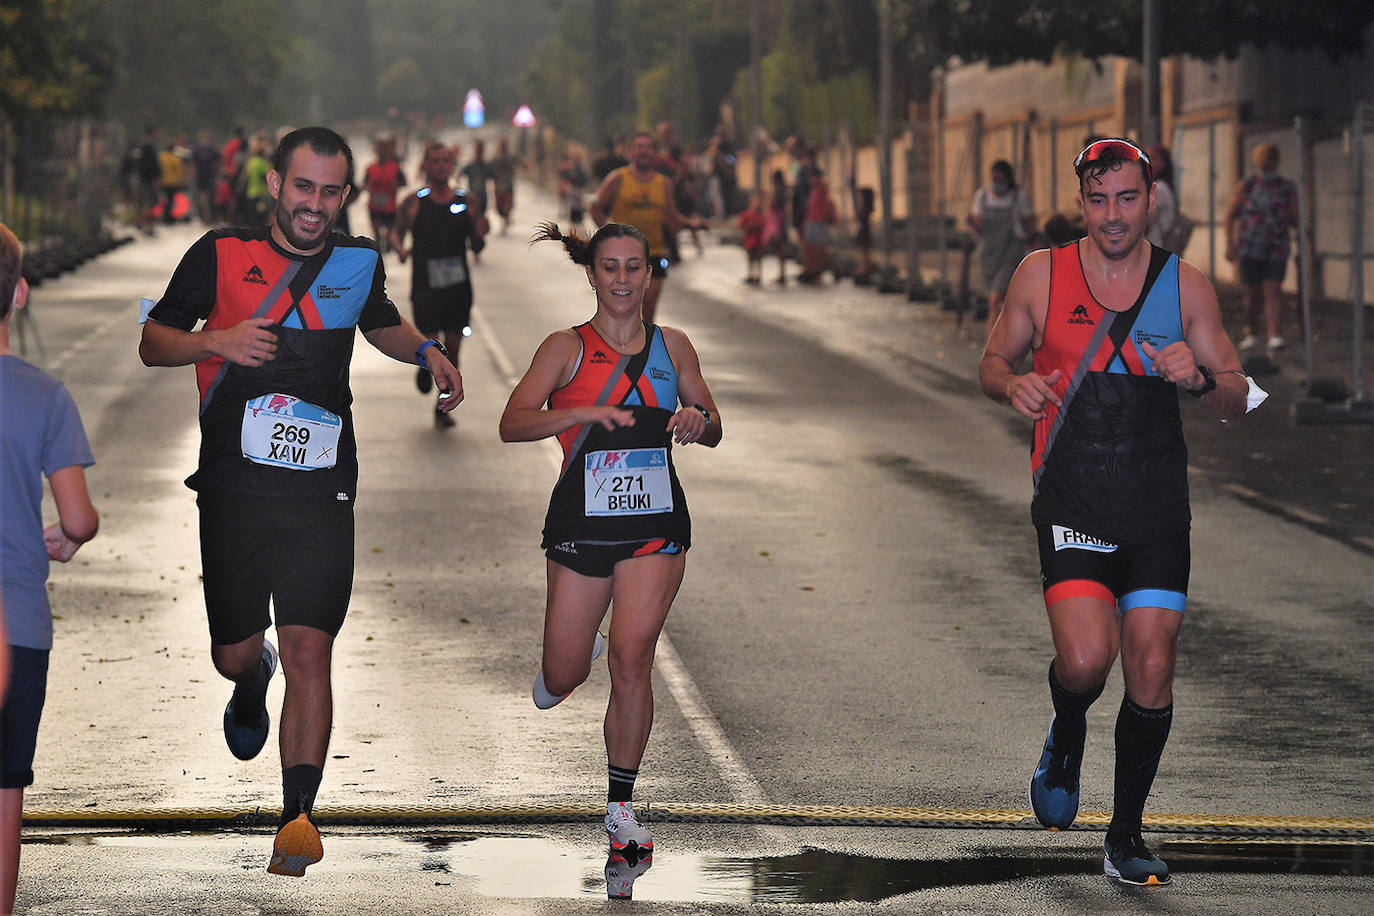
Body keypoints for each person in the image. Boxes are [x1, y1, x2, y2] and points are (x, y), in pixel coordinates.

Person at [138, 127, 461, 878]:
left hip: (321, 485)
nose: (315, 204)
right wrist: (217, 340)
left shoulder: (356, 261)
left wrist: (425, 350)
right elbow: (154, 341)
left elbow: (377, 320)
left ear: (344, 195)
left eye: (330, 191)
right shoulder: (219, 253)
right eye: (303, 187)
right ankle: (252, 680)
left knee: (313, 647)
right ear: (276, 185)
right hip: (232, 485)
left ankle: (297, 818)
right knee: (234, 652)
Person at [978, 138, 1249, 886]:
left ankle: (1124, 835)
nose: (1113, 215)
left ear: (1150, 199)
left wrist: (1199, 380)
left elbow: (1242, 395)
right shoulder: (1043, 273)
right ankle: (1068, 729)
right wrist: (1012, 387)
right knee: (1088, 660)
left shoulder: (1186, 287)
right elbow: (992, 360)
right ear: (1081, 202)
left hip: (1157, 505)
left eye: (1127, 198)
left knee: (1153, 666)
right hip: (1073, 497)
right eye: (1098, 200)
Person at [499, 220, 721, 864]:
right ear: (592, 275)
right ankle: (577, 650)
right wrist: (577, 413)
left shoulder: (674, 346)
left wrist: (695, 420)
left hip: (655, 525)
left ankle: (621, 810)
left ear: (649, 274)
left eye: (634, 267)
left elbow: (714, 425)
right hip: (580, 525)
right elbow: (513, 423)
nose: (623, 279)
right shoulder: (563, 348)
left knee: (633, 657)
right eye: (610, 268)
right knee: (562, 674)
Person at [1, 222, 101, 915]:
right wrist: (64, 543)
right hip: (17, 624)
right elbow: (77, 519)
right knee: (7, 784)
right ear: (20, 293)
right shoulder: (42, 395)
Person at [390, 142, 486, 427]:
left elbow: (477, 241)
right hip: (425, 286)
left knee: (453, 347)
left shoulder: (466, 201)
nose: (442, 165)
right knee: (431, 341)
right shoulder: (414, 202)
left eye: (446, 160)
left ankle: (441, 406)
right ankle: (426, 365)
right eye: (435, 160)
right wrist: (400, 249)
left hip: (458, 287)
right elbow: (397, 234)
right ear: (426, 166)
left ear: (452, 165)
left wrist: (480, 230)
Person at [589, 132, 706, 325]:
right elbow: (596, 208)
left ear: (655, 153)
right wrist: (609, 237)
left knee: (649, 306)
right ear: (631, 152)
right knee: (623, 307)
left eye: (648, 147)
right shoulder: (618, 178)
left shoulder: (664, 184)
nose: (644, 151)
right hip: (622, 256)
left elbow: (672, 218)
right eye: (639, 147)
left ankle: (645, 349)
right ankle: (620, 346)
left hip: (655, 252)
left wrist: (692, 225)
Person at [1225, 142, 1297, 352]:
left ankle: (1274, 334)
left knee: (1273, 289)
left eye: (1270, 165)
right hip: (1250, 246)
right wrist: (1230, 242)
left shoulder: (1286, 188)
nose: (1267, 170)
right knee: (1252, 291)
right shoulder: (1247, 186)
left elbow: (1295, 216)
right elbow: (1231, 214)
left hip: (1277, 246)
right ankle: (1252, 331)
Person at [967, 159, 1034, 335]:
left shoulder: (1018, 197)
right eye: (994, 180)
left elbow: (1028, 224)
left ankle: (994, 343)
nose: (996, 184)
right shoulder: (982, 196)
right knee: (997, 301)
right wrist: (971, 223)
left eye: (1000, 180)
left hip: (1010, 255)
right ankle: (1002, 340)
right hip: (988, 256)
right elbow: (980, 228)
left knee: (995, 299)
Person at [363, 136, 405, 254]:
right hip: (374, 206)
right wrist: (368, 186)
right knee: (377, 236)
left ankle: (387, 250)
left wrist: (396, 185)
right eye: (379, 149)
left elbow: (404, 182)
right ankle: (379, 259)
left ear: (388, 150)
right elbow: (364, 185)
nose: (381, 151)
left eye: (384, 149)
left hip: (390, 207)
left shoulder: (395, 167)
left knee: (389, 237)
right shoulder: (370, 168)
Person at [798, 168, 836, 285]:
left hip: (818, 223)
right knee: (810, 248)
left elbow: (826, 206)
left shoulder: (822, 189)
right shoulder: (814, 191)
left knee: (818, 249)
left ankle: (817, 272)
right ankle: (812, 270)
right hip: (812, 222)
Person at [764, 169, 790, 285]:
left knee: (779, 246)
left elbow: (773, 204)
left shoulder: (778, 191)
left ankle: (782, 274)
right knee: (780, 247)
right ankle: (782, 273)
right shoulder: (783, 190)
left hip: (776, 221)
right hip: (781, 219)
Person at [489, 137, 519, 235]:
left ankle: (505, 221)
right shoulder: (496, 159)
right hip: (499, 187)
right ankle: (505, 219)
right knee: (500, 207)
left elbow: (521, 163)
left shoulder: (510, 157)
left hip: (508, 185)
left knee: (508, 205)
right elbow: (490, 170)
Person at [739, 189, 766, 285]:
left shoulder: (760, 215)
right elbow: (742, 227)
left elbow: (764, 225)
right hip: (750, 241)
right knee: (750, 259)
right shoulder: (746, 215)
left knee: (758, 259)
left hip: (759, 241)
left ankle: (758, 275)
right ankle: (751, 275)